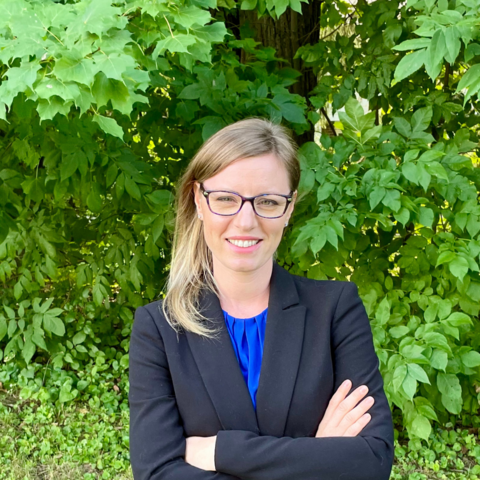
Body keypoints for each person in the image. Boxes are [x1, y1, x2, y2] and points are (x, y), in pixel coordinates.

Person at [128, 118, 395, 480]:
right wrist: (318, 454)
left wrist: (221, 451)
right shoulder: (159, 328)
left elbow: (372, 461)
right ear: (199, 200)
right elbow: (157, 473)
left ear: (289, 208)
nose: (245, 221)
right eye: (225, 199)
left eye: (267, 202)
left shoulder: (335, 310)